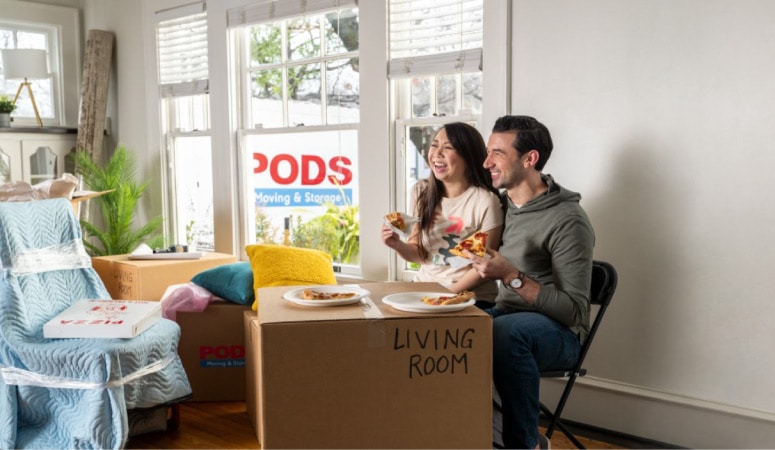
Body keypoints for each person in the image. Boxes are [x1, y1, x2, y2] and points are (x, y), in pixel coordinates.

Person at [467, 115, 595, 449]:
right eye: (487, 152)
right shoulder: (503, 207)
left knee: (504, 332)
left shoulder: (568, 220)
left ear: (530, 158)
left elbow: (575, 312)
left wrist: (510, 275)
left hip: (560, 335)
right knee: (450, 327)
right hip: (507, 319)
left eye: (497, 152)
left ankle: (526, 445)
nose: (486, 162)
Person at [381, 122, 504, 304]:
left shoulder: (485, 201)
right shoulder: (421, 192)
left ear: (468, 156)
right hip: (424, 290)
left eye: (448, 147)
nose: (437, 153)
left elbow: (484, 267)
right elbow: (420, 254)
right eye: (434, 145)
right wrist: (397, 244)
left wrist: (445, 295)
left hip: (470, 297)